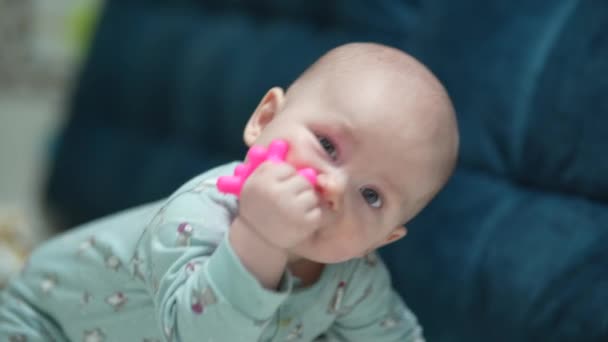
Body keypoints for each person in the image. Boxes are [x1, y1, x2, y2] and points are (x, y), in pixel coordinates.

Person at [1, 42, 458, 341]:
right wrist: (260, 237)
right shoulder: (197, 216)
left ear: (382, 239)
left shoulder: (352, 279)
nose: (334, 187)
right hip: (43, 324)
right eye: (326, 145)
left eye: (372, 195)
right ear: (264, 120)